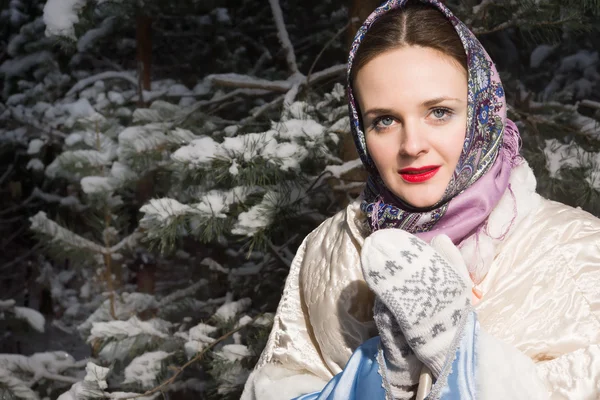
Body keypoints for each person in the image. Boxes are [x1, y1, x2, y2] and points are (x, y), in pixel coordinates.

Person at [241, 0, 600, 399]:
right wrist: (377, 378)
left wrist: (467, 361)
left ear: (483, 108)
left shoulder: (579, 251)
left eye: (439, 112)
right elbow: (279, 385)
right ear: (361, 129)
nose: (412, 145)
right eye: (385, 120)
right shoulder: (330, 249)